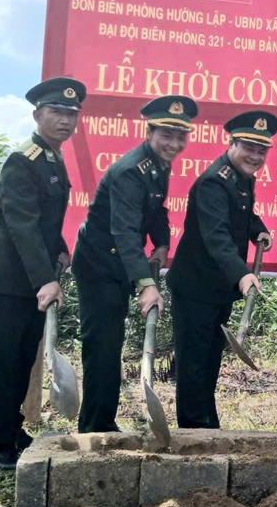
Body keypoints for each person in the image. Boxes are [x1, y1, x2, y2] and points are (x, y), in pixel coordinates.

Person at [0, 76, 85, 470]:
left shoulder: (53, 158)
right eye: (56, 112)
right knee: (2, 365)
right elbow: (20, 225)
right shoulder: (23, 161)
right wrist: (45, 279)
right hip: (7, 285)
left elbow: (45, 224)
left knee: (22, 362)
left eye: (72, 114)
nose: (65, 120)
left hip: (31, 284)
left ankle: (11, 429)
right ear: (38, 115)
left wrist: (60, 250)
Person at [72, 95, 197, 434]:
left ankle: (101, 421)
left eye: (180, 136)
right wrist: (147, 284)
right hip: (99, 264)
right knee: (103, 345)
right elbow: (124, 231)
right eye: (166, 135)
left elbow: (157, 210)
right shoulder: (131, 170)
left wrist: (161, 243)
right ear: (150, 131)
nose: (174, 144)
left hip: (121, 261)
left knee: (111, 341)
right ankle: (95, 428)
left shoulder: (158, 164)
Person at [165, 110, 277, 429]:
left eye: (262, 150)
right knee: (194, 363)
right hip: (195, 288)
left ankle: (206, 422)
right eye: (248, 147)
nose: (255, 156)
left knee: (210, 359)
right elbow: (217, 236)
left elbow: (241, 215)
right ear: (232, 144)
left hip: (216, 289)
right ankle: (192, 431)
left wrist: (258, 229)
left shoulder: (240, 177)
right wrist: (242, 274)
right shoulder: (214, 182)